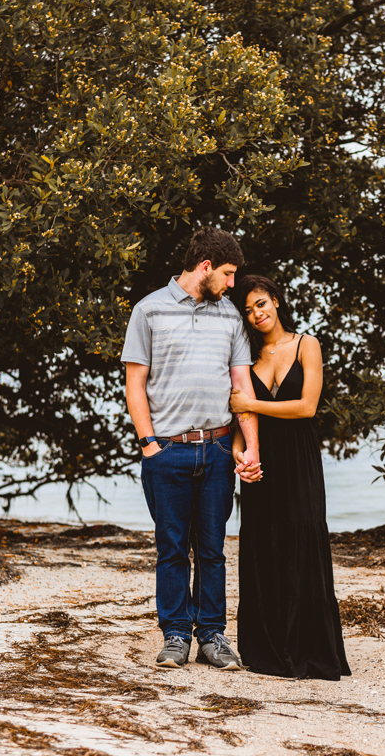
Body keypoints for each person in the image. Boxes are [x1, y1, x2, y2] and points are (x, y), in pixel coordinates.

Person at [121, 229, 262, 671]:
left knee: (213, 549)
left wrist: (250, 448)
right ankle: (176, 636)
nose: (232, 284)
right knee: (172, 548)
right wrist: (148, 445)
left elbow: (242, 387)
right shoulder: (148, 311)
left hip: (218, 449)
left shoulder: (231, 318)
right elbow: (135, 383)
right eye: (228, 274)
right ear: (205, 267)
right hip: (168, 452)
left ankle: (213, 636)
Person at [228, 275, 351, 680]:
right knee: (263, 544)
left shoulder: (306, 344)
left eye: (261, 304)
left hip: (298, 458)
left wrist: (251, 403)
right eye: (247, 310)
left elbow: (307, 407)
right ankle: (266, 650)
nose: (256, 314)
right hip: (262, 460)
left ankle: (311, 649)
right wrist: (239, 454)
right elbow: (237, 421)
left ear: (276, 301)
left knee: (302, 538)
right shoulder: (246, 356)